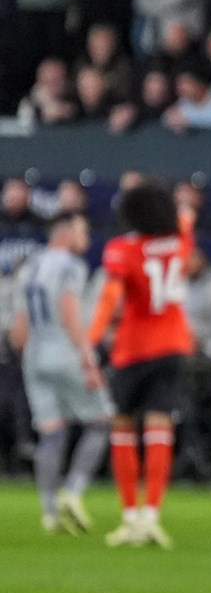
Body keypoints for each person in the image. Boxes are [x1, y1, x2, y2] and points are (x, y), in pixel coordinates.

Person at [87, 182, 195, 549]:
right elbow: (185, 215)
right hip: (174, 343)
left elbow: (111, 296)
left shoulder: (122, 249)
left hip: (133, 348)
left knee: (123, 426)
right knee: (160, 426)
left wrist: (91, 338)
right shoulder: (181, 239)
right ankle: (152, 516)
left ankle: (130, 517)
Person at [7, 214, 112, 533]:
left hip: (34, 355)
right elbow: (69, 313)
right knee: (101, 421)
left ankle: (49, 511)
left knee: (52, 432)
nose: (87, 237)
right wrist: (88, 359)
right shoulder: (70, 266)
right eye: (82, 230)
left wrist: (31, 360)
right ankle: (73, 491)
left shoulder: (29, 266)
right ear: (65, 233)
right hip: (64, 350)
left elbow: (18, 331)